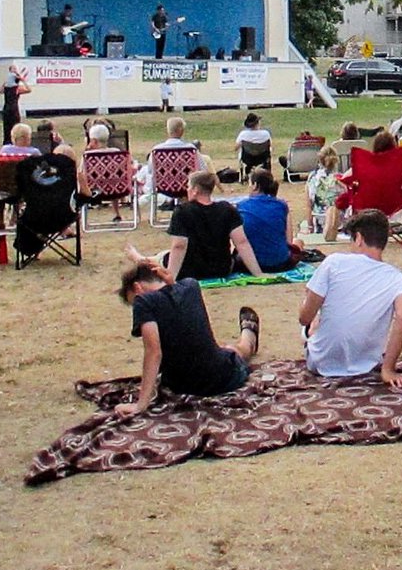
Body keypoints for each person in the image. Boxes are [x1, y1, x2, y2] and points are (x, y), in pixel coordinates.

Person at [114, 261, 260, 417]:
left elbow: (153, 352)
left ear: (137, 288)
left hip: (184, 384)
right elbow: (177, 307)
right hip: (223, 378)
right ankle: (248, 333)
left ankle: (249, 335)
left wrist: (140, 405)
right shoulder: (191, 285)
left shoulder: (144, 302)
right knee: (230, 351)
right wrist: (171, 282)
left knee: (228, 350)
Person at [298, 209, 402, 389]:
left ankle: (312, 332)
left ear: (358, 238)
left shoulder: (334, 262)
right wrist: (388, 368)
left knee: (313, 316)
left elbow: (304, 317)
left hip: (321, 361)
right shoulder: (400, 280)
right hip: (366, 363)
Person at [126, 170, 264, 281]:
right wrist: (258, 273)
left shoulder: (182, 211)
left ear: (195, 190)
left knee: (161, 257)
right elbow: (241, 242)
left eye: (188, 186)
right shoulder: (227, 209)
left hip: (190, 270)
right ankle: (143, 258)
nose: (187, 189)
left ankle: (140, 259)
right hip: (221, 268)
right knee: (164, 255)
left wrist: (171, 277)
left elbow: (179, 246)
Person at [234, 168, 303, 271]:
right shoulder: (282, 205)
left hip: (248, 264)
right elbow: (288, 241)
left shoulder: (241, 206)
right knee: (298, 242)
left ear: (255, 185)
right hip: (281, 263)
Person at [307, 147, 344, 240]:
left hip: (319, 219)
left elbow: (309, 205)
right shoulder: (340, 179)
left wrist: (310, 226)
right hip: (340, 221)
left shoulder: (312, 177)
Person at [0, 66, 30, 145]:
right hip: (14, 109)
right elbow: (29, 89)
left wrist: (6, 83)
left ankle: (7, 142)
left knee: (7, 127)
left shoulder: (9, 88)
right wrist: (23, 80)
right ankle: (14, 141)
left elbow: (0, 91)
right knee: (14, 127)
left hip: (7, 109)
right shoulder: (17, 89)